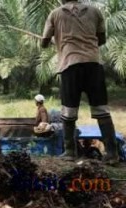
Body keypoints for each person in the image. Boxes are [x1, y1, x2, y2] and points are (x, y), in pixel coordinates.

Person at [41, 0, 119, 164]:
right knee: (101, 110)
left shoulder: (55, 14)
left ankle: (70, 152)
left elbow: (44, 43)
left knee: (68, 112)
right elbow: (101, 39)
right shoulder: (95, 12)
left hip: (70, 65)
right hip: (93, 64)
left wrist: (57, 41)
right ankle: (112, 154)